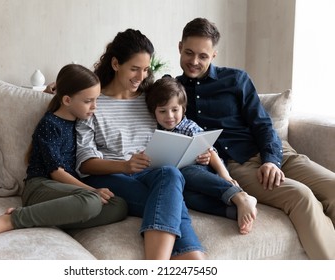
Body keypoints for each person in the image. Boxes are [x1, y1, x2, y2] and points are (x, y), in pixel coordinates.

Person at [175, 17, 335, 259]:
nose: (194, 62)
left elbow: (262, 124)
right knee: (301, 197)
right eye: (189, 53)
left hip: (276, 152)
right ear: (179, 47)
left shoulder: (236, 79)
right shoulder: (172, 92)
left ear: (214, 55)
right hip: (239, 167)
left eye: (203, 56)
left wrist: (272, 160)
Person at [75, 29, 206, 260]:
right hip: (111, 176)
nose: (141, 76)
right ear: (116, 63)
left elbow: (177, 116)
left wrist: (196, 152)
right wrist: (125, 166)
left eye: (146, 69)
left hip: (153, 175)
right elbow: (85, 164)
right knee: (172, 196)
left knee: (171, 174)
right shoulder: (92, 103)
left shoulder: (149, 99)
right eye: (134, 69)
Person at [0, 64, 127, 240]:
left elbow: (73, 86)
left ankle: (47, 215)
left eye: (96, 99)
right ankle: (12, 220)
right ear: (67, 100)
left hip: (65, 191)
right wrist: (92, 190)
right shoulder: (50, 124)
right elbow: (56, 172)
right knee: (91, 201)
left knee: (118, 205)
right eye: (88, 101)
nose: (94, 107)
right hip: (40, 186)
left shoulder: (80, 122)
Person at [145, 76, 257, 234]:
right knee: (186, 197)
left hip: (201, 170)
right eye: (162, 111)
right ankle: (233, 212)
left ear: (183, 108)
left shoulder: (189, 127)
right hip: (181, 181)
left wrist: (225, 176)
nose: (169, 116)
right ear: (154, 112)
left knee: (186, 171)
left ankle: (240, 196)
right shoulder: (156, 133)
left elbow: (211, 152)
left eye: (174, 110)